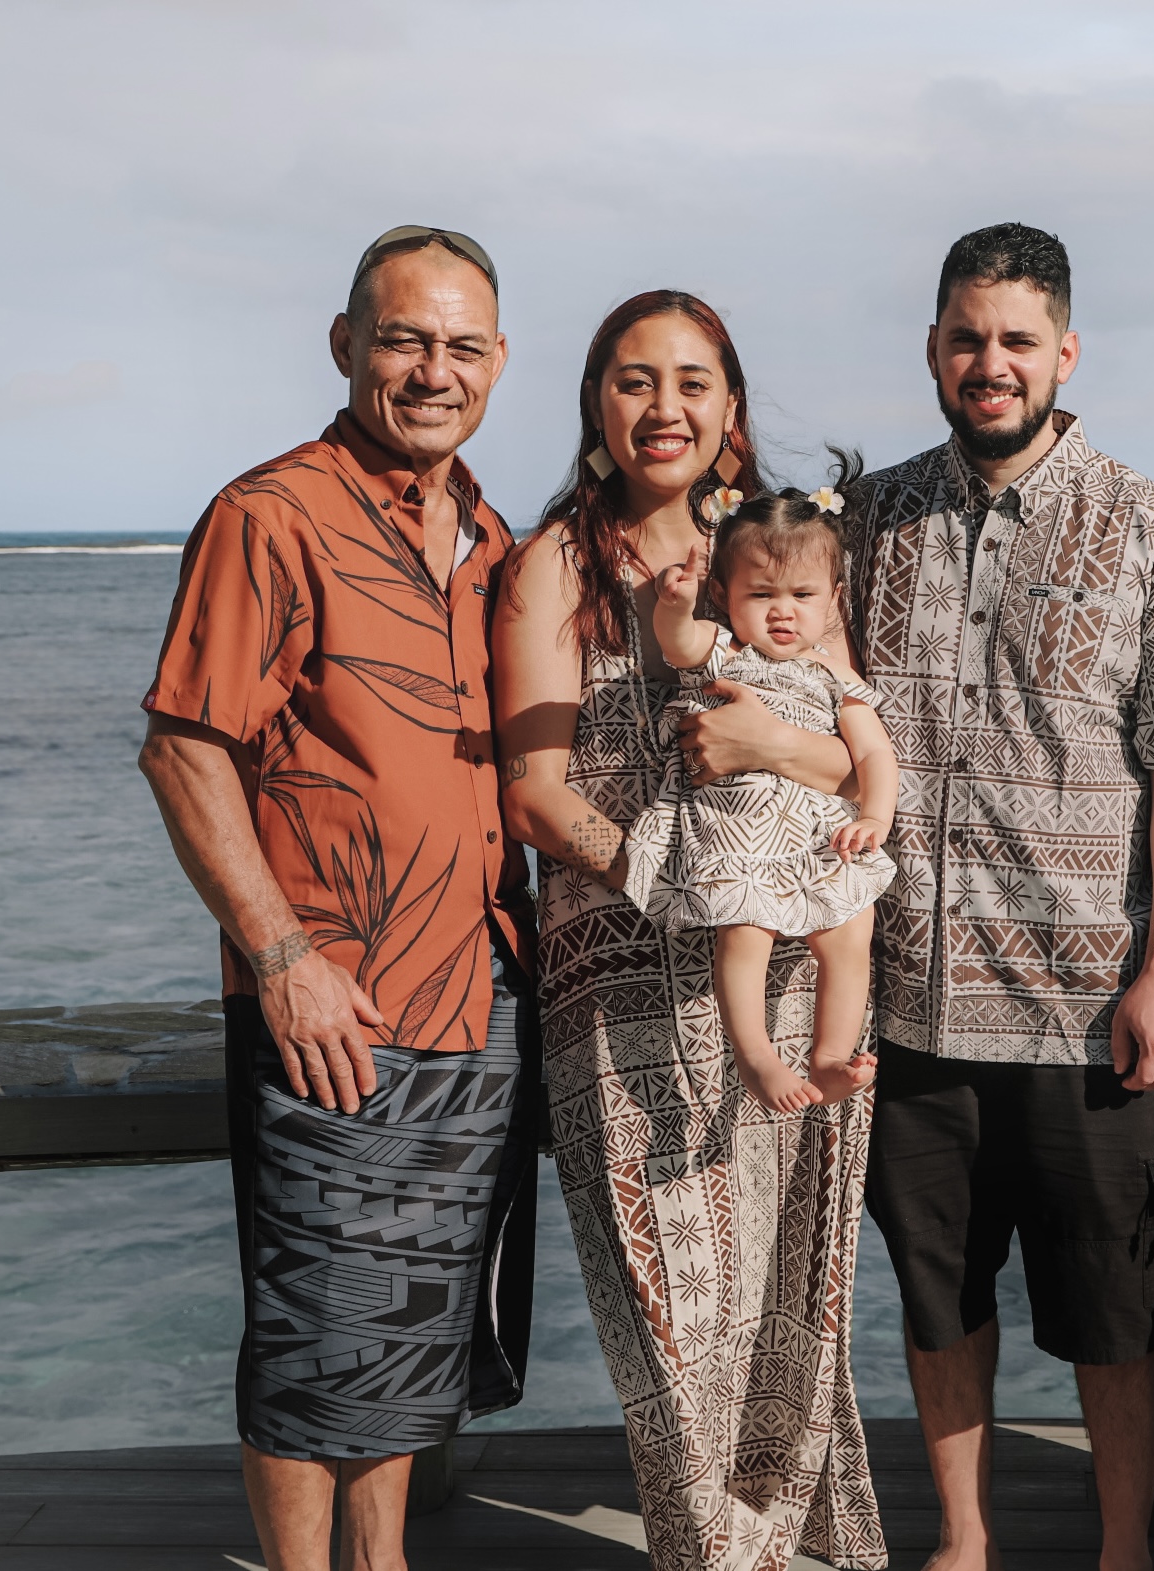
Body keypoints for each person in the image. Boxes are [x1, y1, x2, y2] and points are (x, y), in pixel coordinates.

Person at [835, 222, 1154, 1571]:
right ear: (932, 350)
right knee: (937, 1295)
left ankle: (1122, 1546)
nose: (991, 363)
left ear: (1066, 353)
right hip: (908, 998)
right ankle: (964, 1540)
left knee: (1114, 1306)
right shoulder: (863, 523)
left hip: (1088, 1009)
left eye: (1017, 339)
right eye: (967, 338)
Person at [136, 225, 540, 1571]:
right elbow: (186, 748)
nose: (433, 370)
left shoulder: (491, 536)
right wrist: (279, 956)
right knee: (316, 1334)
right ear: (345, 344)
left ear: (498, 361)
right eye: (404, 339)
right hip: (334, 1002)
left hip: (473, 990)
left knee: (407, 1329)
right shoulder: (271, 514)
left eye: (462, 346)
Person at [493, 291, 886, 1571]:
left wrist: (771, 747)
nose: (664, 407)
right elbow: (534, 795)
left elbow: (856, 750)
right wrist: (682, 877)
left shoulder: (779, 550)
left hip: (790, 972)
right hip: (618, 983)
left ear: (731, 408)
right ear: (596, 404)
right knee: (671, 1320)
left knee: (789, 1298)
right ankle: (709, 1553)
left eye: (691, 381)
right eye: (634, 379)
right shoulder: (557, 563)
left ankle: (792, 1545)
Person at [623, 476, 899, 1113]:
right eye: (761, 594)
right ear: (725, 594)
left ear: (833, 597)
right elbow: (676, 641)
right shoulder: (723, 650)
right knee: (746, 929)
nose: (783, 611)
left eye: (802, 595)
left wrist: (875, 816)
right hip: (735, 827)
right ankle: (754, 1055)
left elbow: (874, 753)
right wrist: (675, 605)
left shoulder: (835, 676)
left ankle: (829, 1056)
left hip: (816, 833)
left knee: (851, 930)